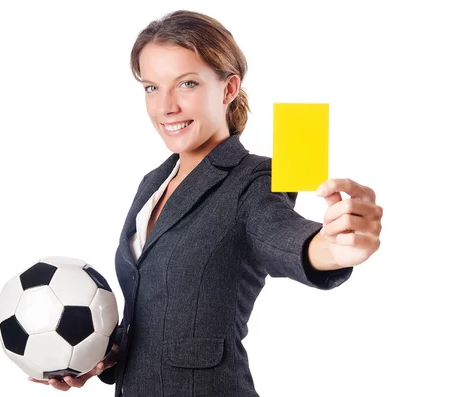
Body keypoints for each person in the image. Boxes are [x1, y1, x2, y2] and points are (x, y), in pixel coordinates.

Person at [29, 9, 383, 397]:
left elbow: (280, 233)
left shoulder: (254, 178)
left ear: (229, 89)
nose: (166, 106)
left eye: (187, 84)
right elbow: (159, 311)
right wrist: (99, 354)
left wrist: (332, 247)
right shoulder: (152, 183)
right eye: (151, 88)